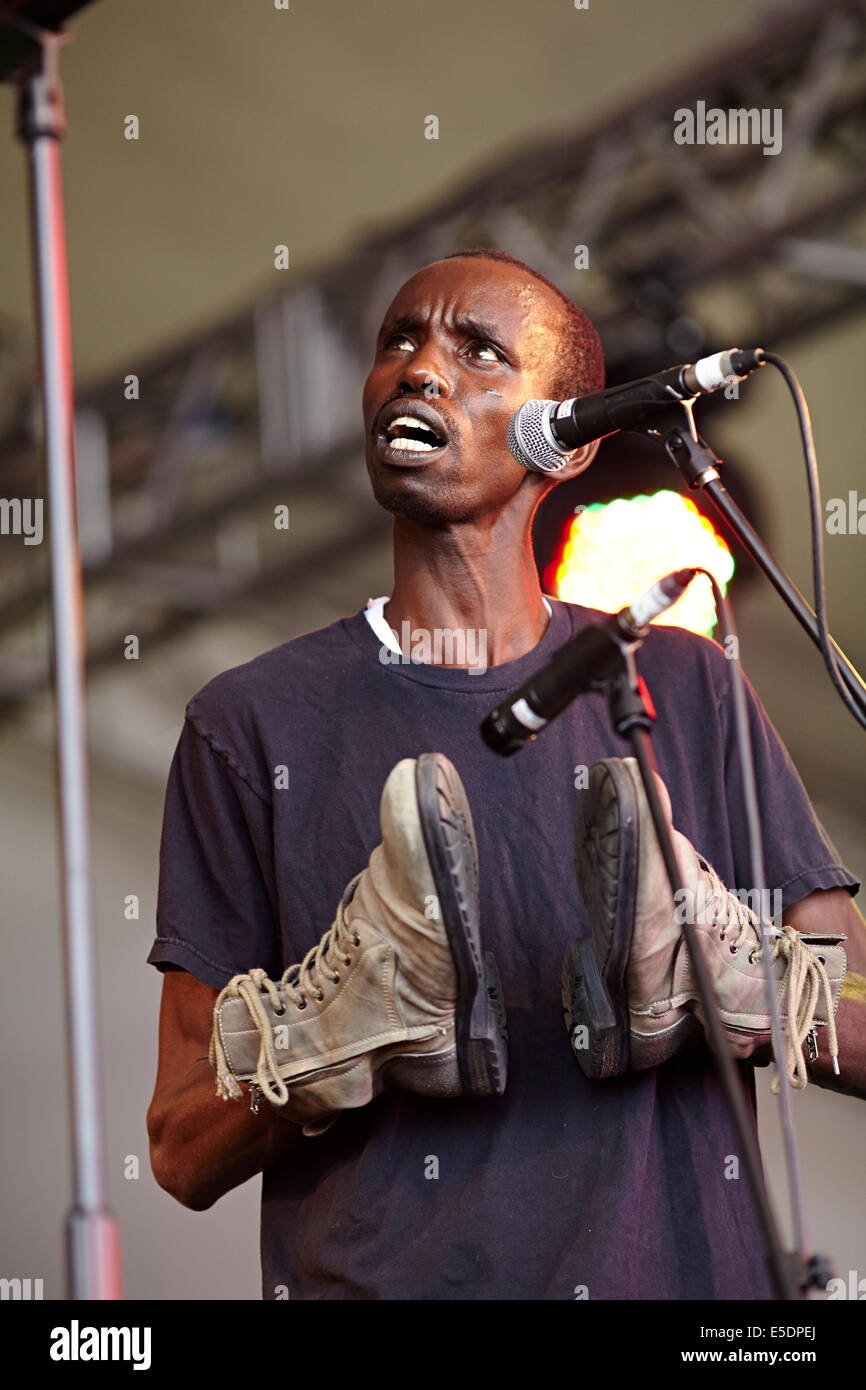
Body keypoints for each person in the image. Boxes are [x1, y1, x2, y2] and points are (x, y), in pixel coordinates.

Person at [146, 249, 864, 1300]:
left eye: (477, 351)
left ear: (564, 440)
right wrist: (328, 1035)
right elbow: (176, 1145)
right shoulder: (248, 722)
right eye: (398, 340)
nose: (419, 370)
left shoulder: (684, 681)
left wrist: (744, 989)